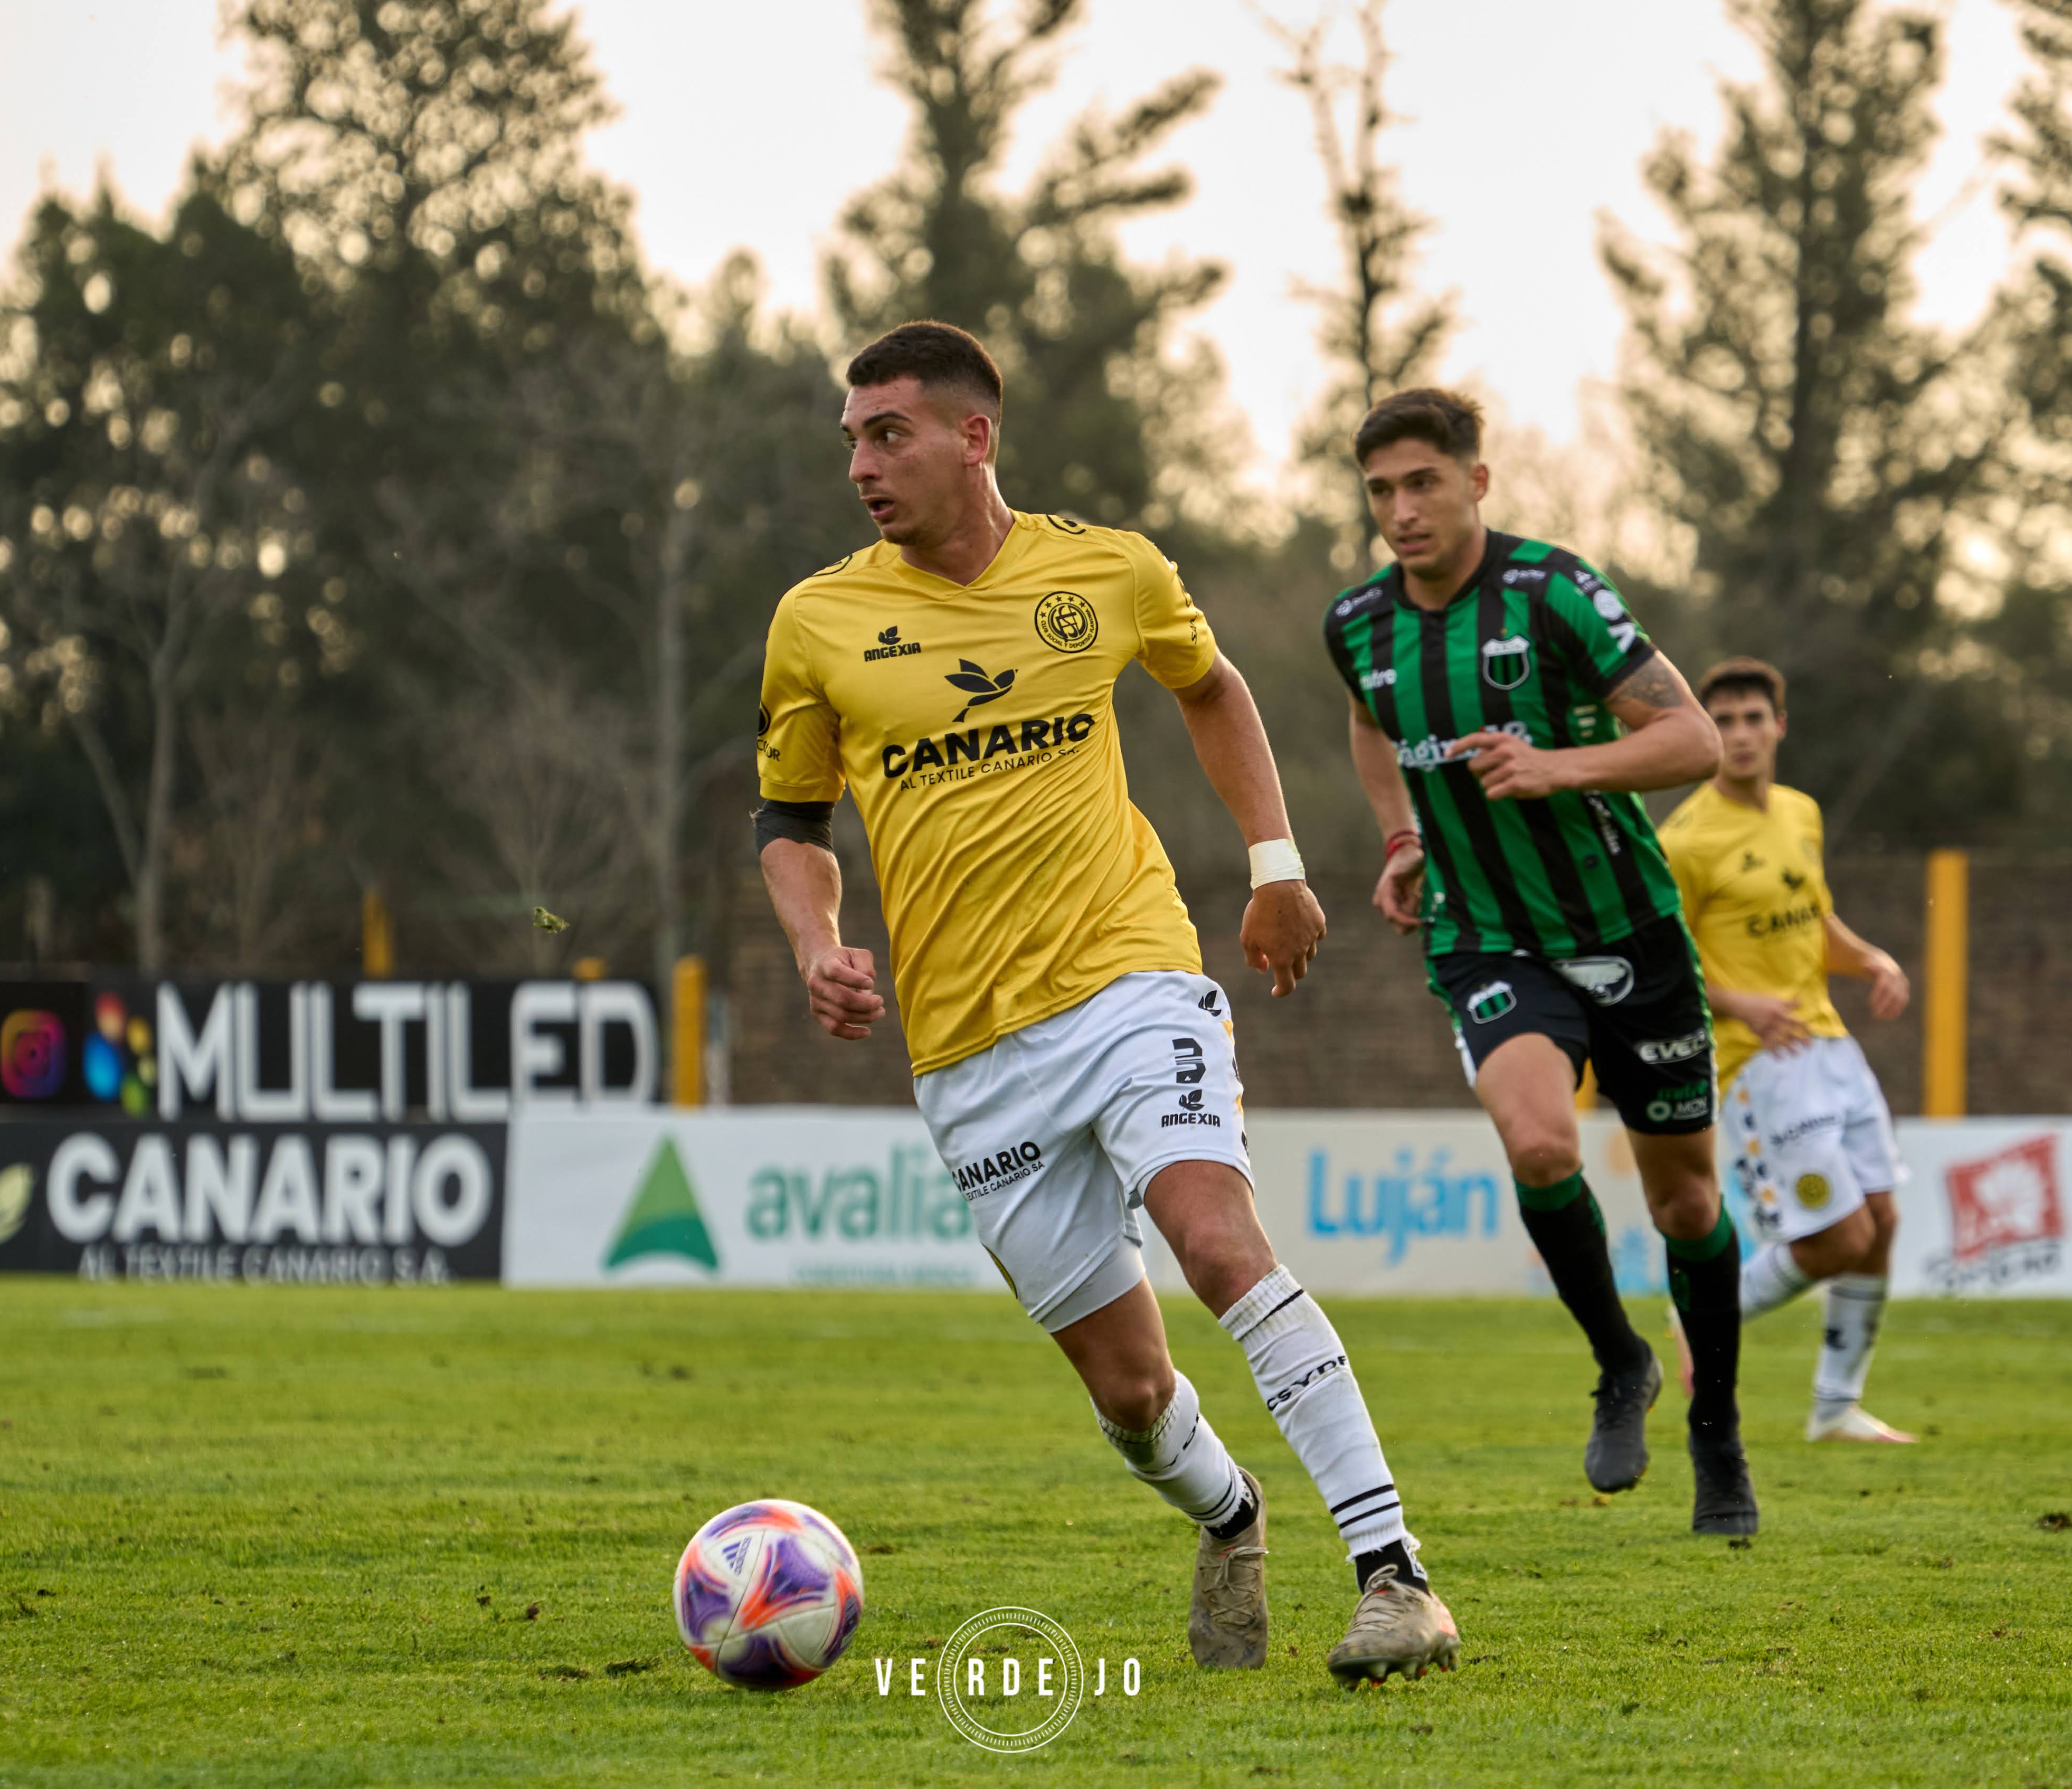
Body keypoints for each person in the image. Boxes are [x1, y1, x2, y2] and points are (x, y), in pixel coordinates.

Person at [752, 321, 1459, 1685]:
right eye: (851, 437)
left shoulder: (1106, 569)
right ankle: (1231, 1509)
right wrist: (816, 940)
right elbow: (789, 814)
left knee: (1217, 1238)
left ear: (975, 437)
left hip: (1129, 977)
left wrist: (1276, 866)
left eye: (887, 432)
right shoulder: (819, 620)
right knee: (1132, 1395)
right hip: (969, 1053)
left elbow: (1213, 684)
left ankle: (1395, 1573)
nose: (861, 463)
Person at [1326, 387, 1757, 1536]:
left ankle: (1715, 1425)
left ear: (1475, 480)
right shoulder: (1358, 623)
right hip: (1485, 933)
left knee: (1683, 1205)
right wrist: (1404, 836)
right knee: (1534, 1138)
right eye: (1379, 491)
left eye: (1421, 483)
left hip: (1627, 933)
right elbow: (1370, 723)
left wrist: (1554, 766)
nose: (1400, 511)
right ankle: (1619, 1361)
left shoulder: (1553, 592)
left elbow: (1692, 740)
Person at [1659, 657, 1918, 1444]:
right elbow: (1666, 961)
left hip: (1830, 1044)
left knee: (1882, 1217)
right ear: (1707, 731)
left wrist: (1871, 958)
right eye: (1724, 721)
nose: (1739, 735)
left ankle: (1836, 1406)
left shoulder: (1800, 813)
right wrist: (1740, 1001)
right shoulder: (1686, 839)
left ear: (1779, 726)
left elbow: (1815, 922)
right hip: (1756, 1063)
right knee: (1837, 1238)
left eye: (1752, 718)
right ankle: (1698, 1308)